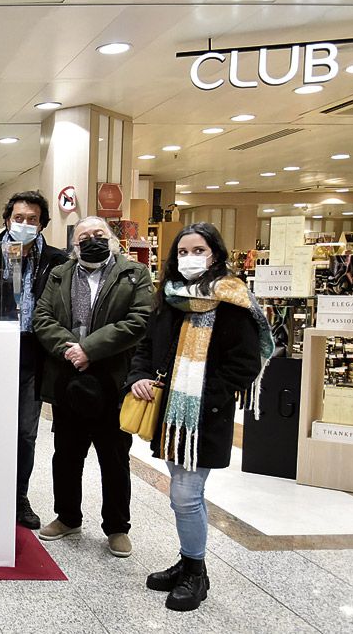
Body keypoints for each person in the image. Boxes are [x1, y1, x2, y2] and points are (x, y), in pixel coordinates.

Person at [125, 222, 272, 611]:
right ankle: (189, 562)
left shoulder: (231, 300)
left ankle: (196, 573)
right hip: (171, 414)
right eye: (183, 252)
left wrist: (205, 399)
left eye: (199, 250)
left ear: (216, 254)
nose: (190, 258)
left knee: (186, 495)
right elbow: (147, 344)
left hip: (203, 414)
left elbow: (244, 362)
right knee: (183, 493)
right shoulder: (171, 296)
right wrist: (139, 375)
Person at [32, 217, 153, 558]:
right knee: (66, 455)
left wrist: (91, 349)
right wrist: (72, 349)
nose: (92, 240)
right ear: (74, 244)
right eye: (84, 236)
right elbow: (42, 318)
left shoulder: (133, 274)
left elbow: (140, 319)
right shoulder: (61, 274)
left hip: (112, 380)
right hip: (68, 378)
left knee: (114, 458)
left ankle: (117, 527)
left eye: (99, 234)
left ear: (112, 239)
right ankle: (67, 516)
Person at [0, 190, 68, 529]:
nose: (24, 224)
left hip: (34, 355)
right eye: (18, 218)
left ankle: (19, 496)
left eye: (32, 220)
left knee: (25, 432)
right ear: (7, 219)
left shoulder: (57, 261)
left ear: (42, 224)